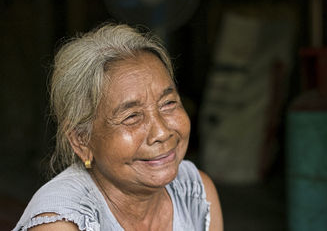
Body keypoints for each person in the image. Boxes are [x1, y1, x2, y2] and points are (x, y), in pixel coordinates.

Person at [13, 23, 223, 231]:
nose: (161, 132)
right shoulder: (61, 225)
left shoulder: (196, 193)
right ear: (81, 140)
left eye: (168, 103)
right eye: (132, 117)